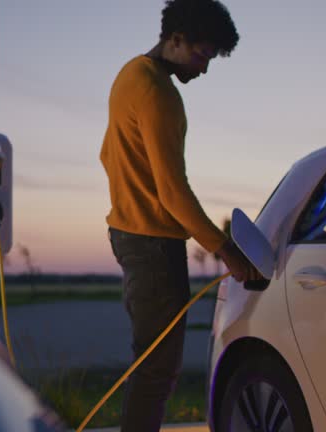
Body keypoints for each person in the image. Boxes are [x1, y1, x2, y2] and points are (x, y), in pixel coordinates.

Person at [99, 0, 258, 430]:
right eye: (201, 55)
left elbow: (107, 155)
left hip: (129, 234)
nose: (204, 69)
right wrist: (227, 251)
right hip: (153, 243)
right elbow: (172, 192)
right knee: (156, 372)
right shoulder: (159, 94)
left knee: (149, 364)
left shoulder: (130, 74)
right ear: (175, 39)